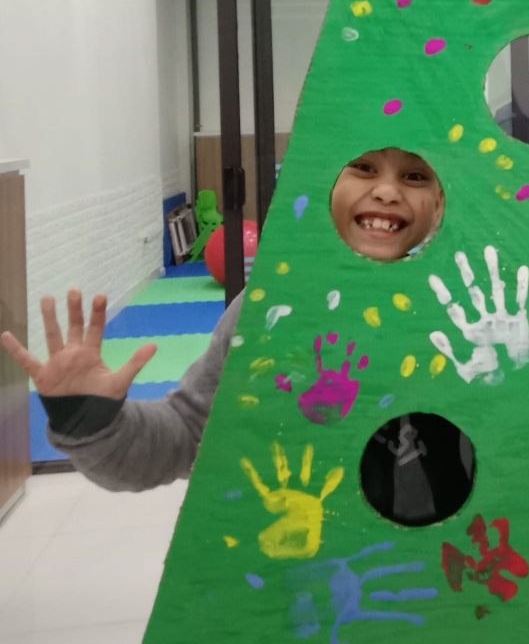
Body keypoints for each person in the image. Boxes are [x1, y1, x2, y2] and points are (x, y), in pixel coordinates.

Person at [0, 147, 453, 518]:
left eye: (415, 176)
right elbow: (184, 438)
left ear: (440, 203)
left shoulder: (470, 316)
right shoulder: (267, 312)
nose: (387, 191)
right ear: (325, 182)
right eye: (364, 167)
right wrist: (91, 419)